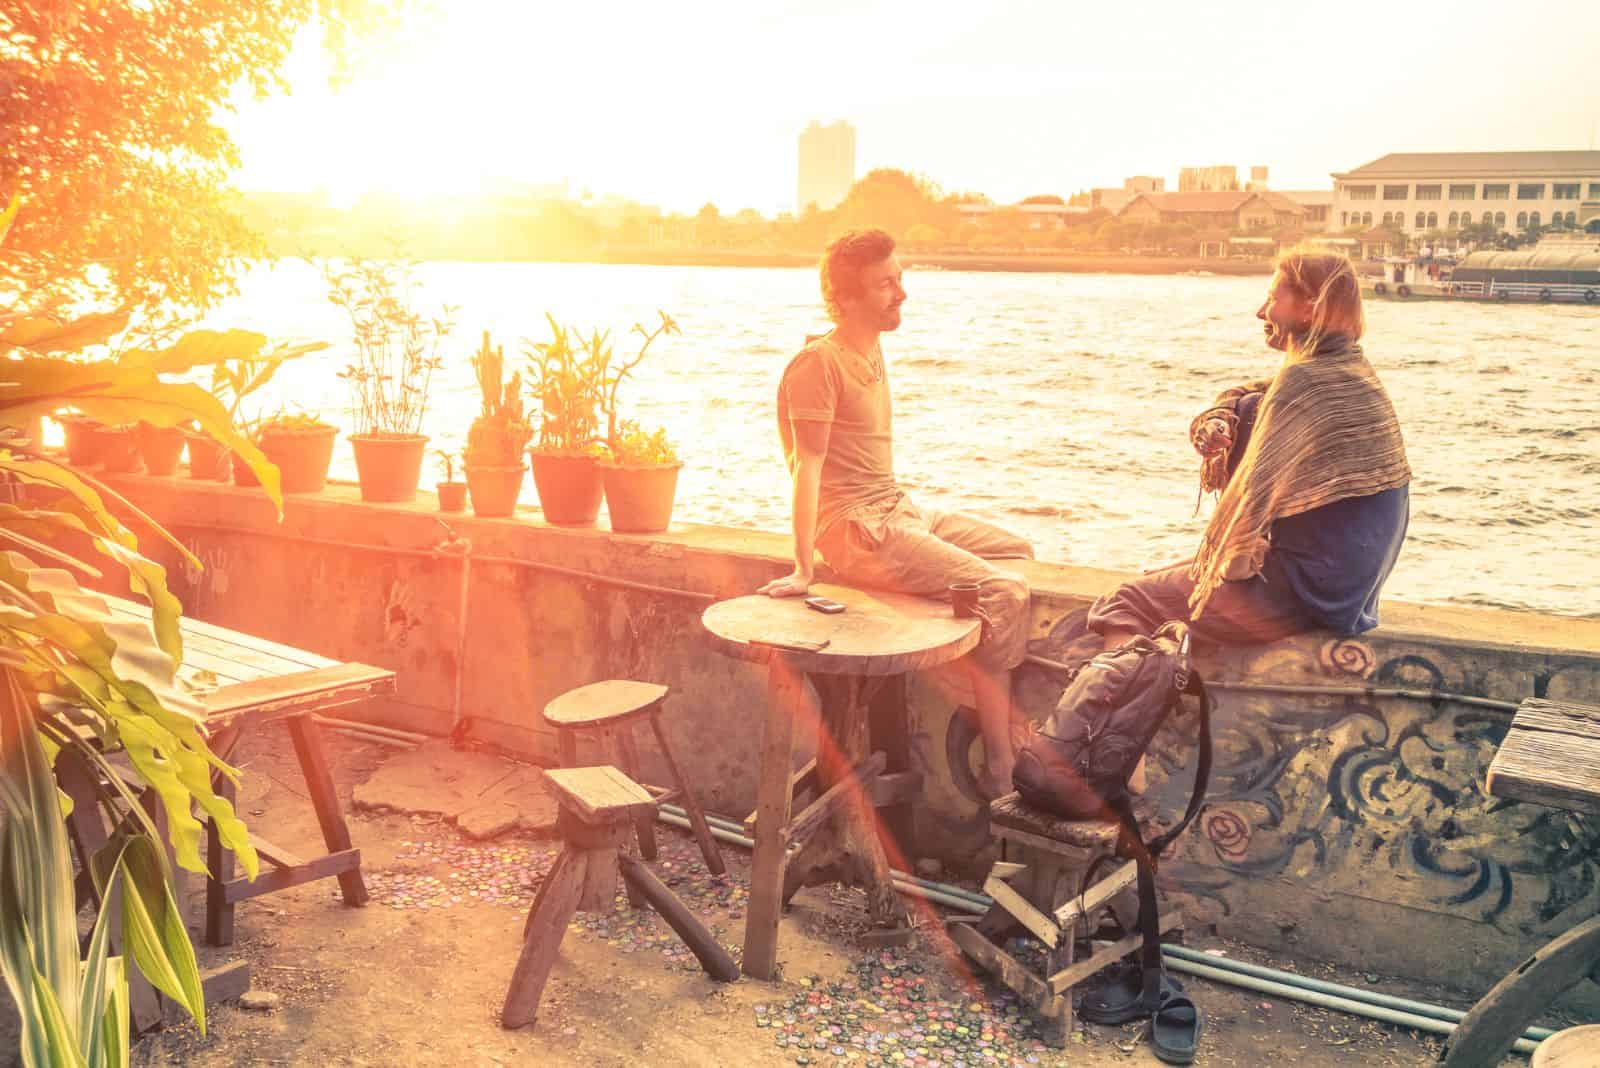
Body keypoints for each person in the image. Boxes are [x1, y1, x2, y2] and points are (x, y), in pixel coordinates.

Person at [760, 228, 1033, 800]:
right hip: (861, 531)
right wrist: (804, 567)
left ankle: (954, 670)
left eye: (900, 278)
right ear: (847, 297)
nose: (901, 293)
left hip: (898, 509)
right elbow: (804, 466)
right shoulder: (819, 364)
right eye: (886, 284)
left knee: (1016, 554)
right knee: (1004, 594)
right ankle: (1003, 762)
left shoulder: (871, 347)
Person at [1090, 248, 1411, 652]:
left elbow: (1251, 502)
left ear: (1311, 307)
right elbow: (1247, 394)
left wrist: (1213, 570)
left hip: (1306, 596)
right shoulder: (1349, 369)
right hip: (1351, 594)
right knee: (1247, 408)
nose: (1262, 312)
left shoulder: (1304, 382)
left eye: (1274, 298)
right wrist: (1222, 416)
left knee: (1124, 603)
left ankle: (1111, 712)